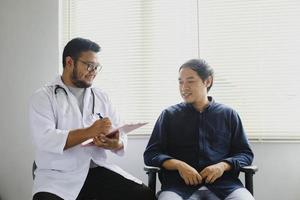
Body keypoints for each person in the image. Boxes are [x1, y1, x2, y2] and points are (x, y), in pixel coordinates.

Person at [29, 37, 155, 200]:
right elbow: (44, 138)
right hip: (57, 177)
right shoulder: (43, 97)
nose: (93, 71)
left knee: (143, 195)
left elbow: (120, 132)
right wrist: (90, 131)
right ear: (69, 62)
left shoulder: (102, 96)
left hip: (95, 171)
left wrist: (115, 143)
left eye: (96, 67)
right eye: (89, 65)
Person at [143, 59, 254, 200]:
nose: (184, 87)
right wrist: (179, 165)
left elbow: (245, 154)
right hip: (178, 188)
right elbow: (151, 154)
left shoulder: (228, 114)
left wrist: (222, 166)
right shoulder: (168, 115)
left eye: (190, 81)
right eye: (180, 82)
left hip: (225, 186)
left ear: (207, 81)